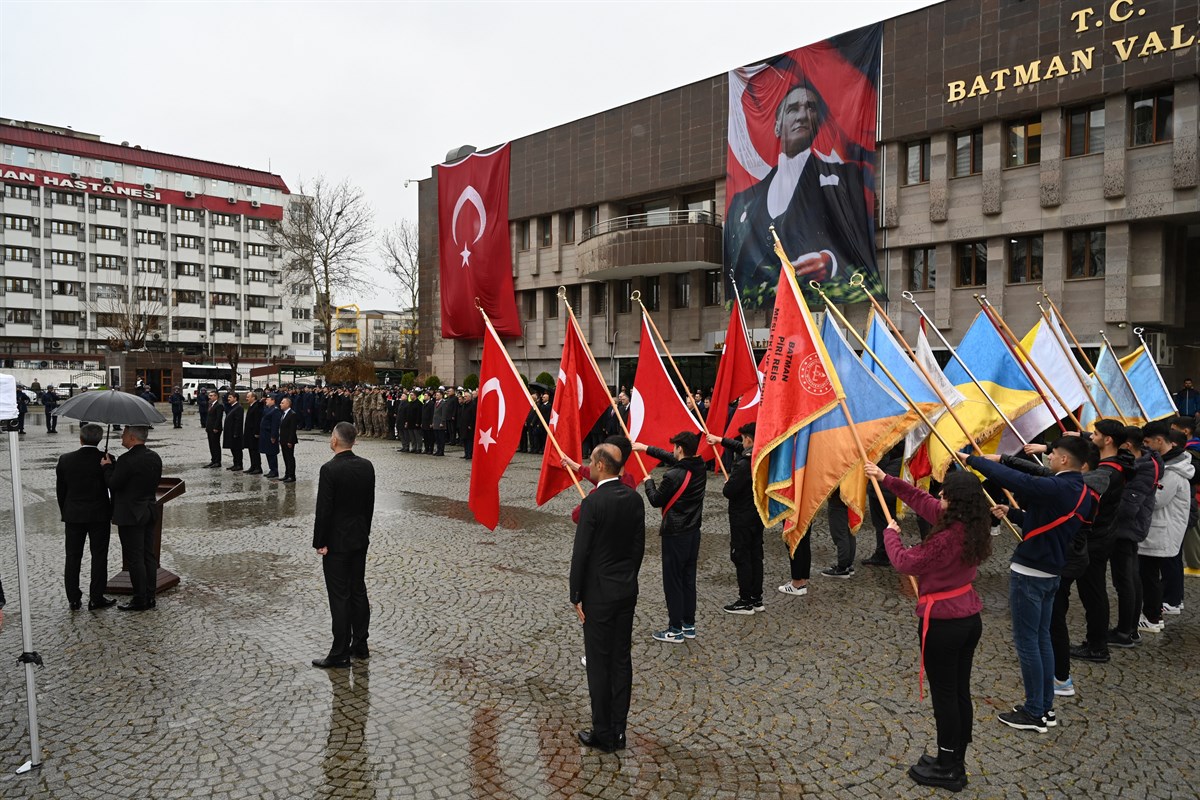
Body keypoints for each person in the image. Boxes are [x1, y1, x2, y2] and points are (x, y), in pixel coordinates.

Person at [866, 462, 991, 792]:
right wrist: (886, 478)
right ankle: (954, 758)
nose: (940, 498)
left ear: (956, 501)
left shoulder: (947, 537)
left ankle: (949, 767)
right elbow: (921, 500)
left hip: (945, 623)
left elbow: (906, 562)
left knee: (946, 696)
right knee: (959, 691)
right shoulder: (971, 522)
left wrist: (891, 535)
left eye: (945, 495)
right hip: (968, 618)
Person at [964, 436, 1094, 734]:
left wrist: (973, 460)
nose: (1049, 458)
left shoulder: (1059, 486)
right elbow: (1050, 521)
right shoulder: (1082, 491)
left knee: (1027, 642)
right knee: (1042, 639)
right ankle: (1045, 707)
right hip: (1051, 571)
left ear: (1065, 459)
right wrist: (1013, 514)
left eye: (1054, 454)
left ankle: (1035, 711)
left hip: (1031, 571)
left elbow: (1016, 480)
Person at [724, 78, 875, 302]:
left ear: (817, 123)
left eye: (810, 108)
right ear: (777, 126)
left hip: (817, 301)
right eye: (793, 109)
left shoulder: (844, 178)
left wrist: (830, 261)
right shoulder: (742, 202)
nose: (802, 116)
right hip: (760, 307)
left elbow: (859, 242)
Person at [569, 443, 646, 753]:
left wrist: (576, 594)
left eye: (591, 461)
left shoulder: (593, 502)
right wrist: (628, 578)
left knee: (599, 664)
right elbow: (638, 547)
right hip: (625, 590)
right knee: (621, 660)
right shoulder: (634, 499)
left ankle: (603, 732)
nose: (589, 464)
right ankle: (619, 730)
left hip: (598, 595)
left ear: (601, 465)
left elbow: (581, 552)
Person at [312, 422, 376, 668]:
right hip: (359, 537)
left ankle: (339, 652)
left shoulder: (329, 469)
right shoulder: (366, 466)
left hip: (337, 542)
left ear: (335, 440)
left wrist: (320, 542)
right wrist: (364, 532)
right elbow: (369, 504)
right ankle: (360, 645)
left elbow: (324, 509)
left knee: (340, 595)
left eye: (331, 435)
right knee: (358, 590)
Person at [634, 431, 707, 643]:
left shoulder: (673, 476)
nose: (672, 450)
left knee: (673, 581)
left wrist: (648, 482)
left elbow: (656, 500)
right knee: (688, 580)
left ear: (680, 449)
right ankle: (689, 625)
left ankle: (675, 629)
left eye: (674, 447)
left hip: (675, 534)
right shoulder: (700, 466)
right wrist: (646, 448)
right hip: (693, 532)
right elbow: (672, 458)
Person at [1137, 423, 1194, 633]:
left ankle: (1152, 617)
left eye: (1147, 442)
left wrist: (1136, 489)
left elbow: (1157, 500)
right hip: (1159, 529)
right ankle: (1155, 613)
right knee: (1150, 574)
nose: (1145, 446)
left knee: (1149, 576)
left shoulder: (1172, 471)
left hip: (1161, 530)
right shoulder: (1168, 464)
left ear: (1159, 441)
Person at [101, 425, 163, 612]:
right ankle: (150, 596)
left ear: (133, 438)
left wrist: (107, 467)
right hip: (149, 510)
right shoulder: (154, 457)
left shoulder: (127, 460)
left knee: (135, 558)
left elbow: (113, 484)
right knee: (148, 555)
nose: (122, 437)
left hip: (131, 513)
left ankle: (140, 599)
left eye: (124, 434)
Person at [1109, 426, 1160, 648]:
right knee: (1131, 578)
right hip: (1129, 527)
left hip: (1126, 529)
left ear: (1127, 445)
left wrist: (1104, 507)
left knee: (1126, 581)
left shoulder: (1142, 468)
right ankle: (1130, 629)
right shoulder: (1142, 462)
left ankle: (1124, 631)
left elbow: (1128, 507)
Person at [706, 424, 765, 615]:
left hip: (742, 517)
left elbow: (729, 491)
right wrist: (720, 440)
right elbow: (741, 448)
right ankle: (756, 598)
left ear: (748, 439)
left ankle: (745, 600)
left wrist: (728, 483)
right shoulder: (762, 455)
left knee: (741, 556)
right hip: (757, 514)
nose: (741, 442)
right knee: (756, 556)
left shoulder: (744, 464)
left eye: (743, 439)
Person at [56, 423, 115, 611]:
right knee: (99, 556)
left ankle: (73, 598)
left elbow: (61, 491)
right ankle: (96, 597)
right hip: (99, 514)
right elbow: (113, 487)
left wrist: (66, 511)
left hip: (74, 514)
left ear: (81, 439)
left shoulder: (65, 460)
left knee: (73, 556)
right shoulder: (107, 459)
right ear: (99, 439)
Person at [260, 395, 282, 479]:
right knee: (268, 452)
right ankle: (271, 469)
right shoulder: (268, 409)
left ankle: (274, 470)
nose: (266, 401)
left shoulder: (275, 410)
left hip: (270, 434)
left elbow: (275, 425)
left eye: (268, 399)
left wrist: (273, 436)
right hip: (265, 434)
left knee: (272, 453)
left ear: (273, 400)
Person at [223, 392, 245, 471]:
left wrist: (236, 432)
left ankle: (239, 465)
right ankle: (235, 464)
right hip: (230, 432)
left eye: (230, 397)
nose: (228, 399)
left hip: (235, 433)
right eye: (228, 397)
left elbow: (238, 421)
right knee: (233, 449)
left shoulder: (239, 407)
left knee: (237, 449)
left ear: (235, 398)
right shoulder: (232, 407)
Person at [279, 396, 298, 483]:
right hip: (283, 439)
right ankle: (287, 474)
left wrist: (290, 441)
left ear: (287, 404)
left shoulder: (292, 414)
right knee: (285, 457)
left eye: (282, 403)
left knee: (290, 458)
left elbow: (292, 429)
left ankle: (291, 475)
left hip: (289, 440)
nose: (280, 404)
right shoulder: (283, 414)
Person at [204, 391, 224, 468]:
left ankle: (217, 461)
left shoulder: (219, 406)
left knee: (215, 445)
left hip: (215, 429)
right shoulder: (210, 405)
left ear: (216, 397)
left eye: (211, 395)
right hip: (209, 428)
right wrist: (207, 427)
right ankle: (213, 460)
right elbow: (209, 417)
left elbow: (219, 418)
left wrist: (216, 427)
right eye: (209, 395)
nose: (210, 397)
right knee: (211, 445)